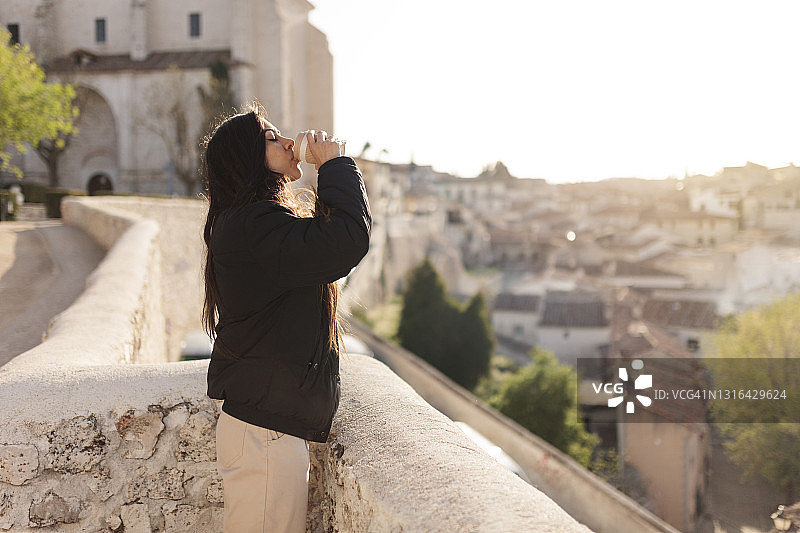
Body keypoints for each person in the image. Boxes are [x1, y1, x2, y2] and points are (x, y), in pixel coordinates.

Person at [201, 103, 371, 532]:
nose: (287, 142)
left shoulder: (249, 223)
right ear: (248, 157)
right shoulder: (252, 225)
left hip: (264, 429)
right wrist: (333, 165)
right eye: (272, 137)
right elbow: (344, 242)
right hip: (264, 435)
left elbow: (323, 245)